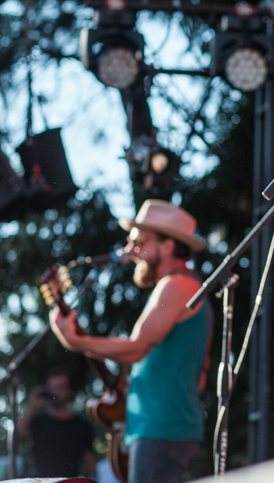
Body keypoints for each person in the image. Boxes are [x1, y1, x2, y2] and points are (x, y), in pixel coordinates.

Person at [49, 199, 212, 483]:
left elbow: (137, 347)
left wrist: (76, 342)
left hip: (161, 427)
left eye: (139, 241)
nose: (130, 250)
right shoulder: (179, 286)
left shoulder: (176, 285)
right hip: (160, 426)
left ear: (167, 246)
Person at [17, 366, 96, 478]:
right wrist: (32, 406)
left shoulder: (81, 425)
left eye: (60, 387)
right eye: (51, 387)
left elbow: (90, 462)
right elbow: (17, 438)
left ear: (70, 391)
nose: (55, 392)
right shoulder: (38, 421)